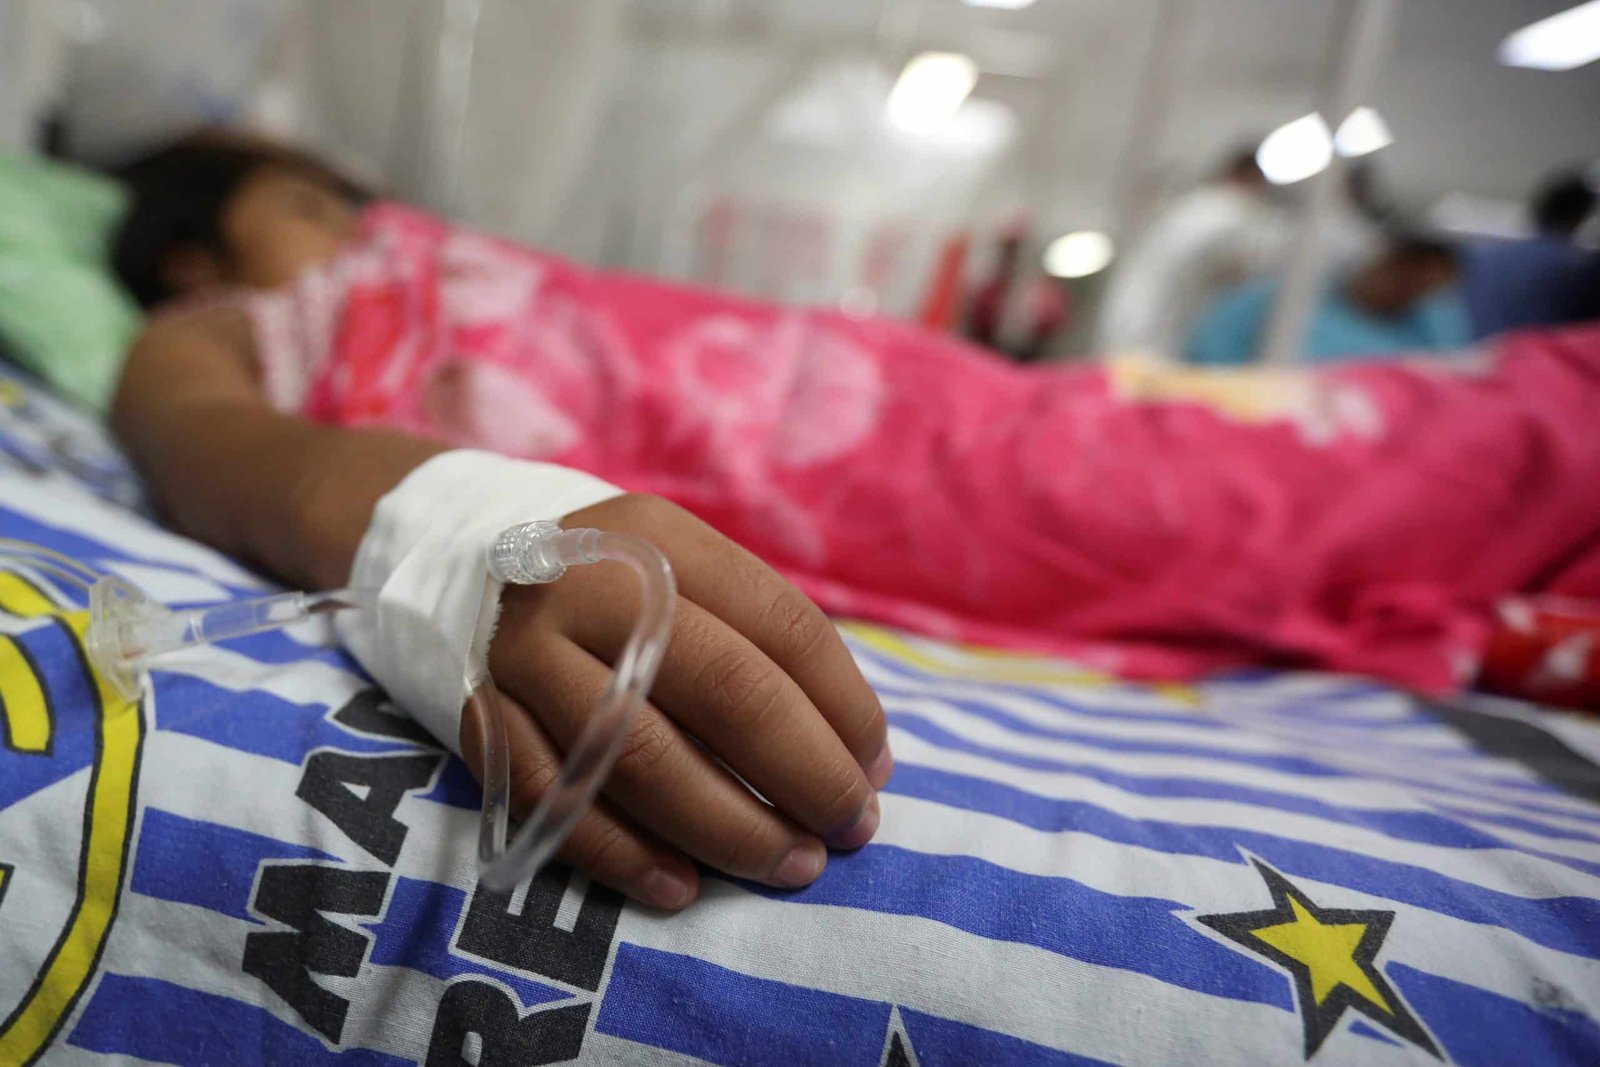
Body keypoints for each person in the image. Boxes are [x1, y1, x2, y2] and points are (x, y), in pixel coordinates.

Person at [106, 132, 1600, 909]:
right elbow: (199, 438)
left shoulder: (424, 260)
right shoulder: (245, 325)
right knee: (1303, 492)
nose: (359, 223)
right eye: (306, 203)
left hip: (893, 404)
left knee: (1296, 467)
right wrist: (458, 533)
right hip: (902, 475)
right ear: (190, 255)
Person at [1094, 148, 1286, 357]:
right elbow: (1251, 258)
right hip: (1151, 325)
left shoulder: (1192, 206)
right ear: (1252, 177)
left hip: (1133, 314)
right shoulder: (1227, 210)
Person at [1184, 235, 1469, 365]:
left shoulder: (1423, 341)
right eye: (1404, 272)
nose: (1404, 287)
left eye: (1424, 287)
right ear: (1381, 261)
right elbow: (1206, 359)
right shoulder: (1276, 301)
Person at [1458, 169, 1600, 340]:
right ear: (1579, 217)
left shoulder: (1479, 257)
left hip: (1484, 350)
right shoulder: (1574, 267)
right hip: (1544, 353)